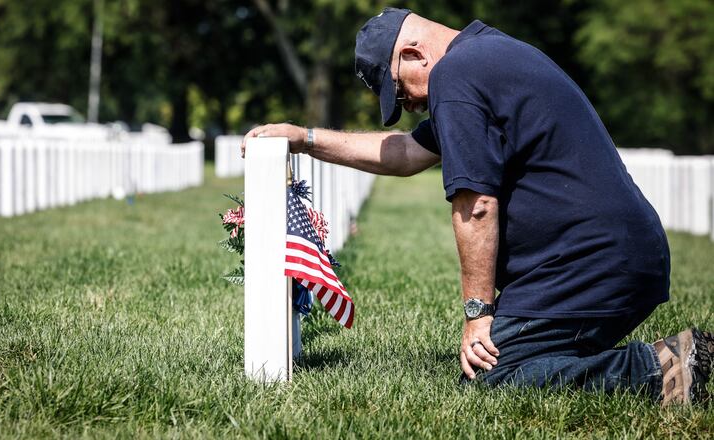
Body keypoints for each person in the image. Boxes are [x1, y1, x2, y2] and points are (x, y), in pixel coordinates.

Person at [241, 8, 713, 405]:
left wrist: (477, 314)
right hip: (603, 256)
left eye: (399, 90)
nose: (406, 104)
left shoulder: (457, 74)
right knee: (506, 363)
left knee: (495, 373)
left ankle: (668, 368)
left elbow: (477, 204)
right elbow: (407, 153)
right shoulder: (484, 55)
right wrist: (304, 138)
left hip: (593, 261)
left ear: (412, 54)